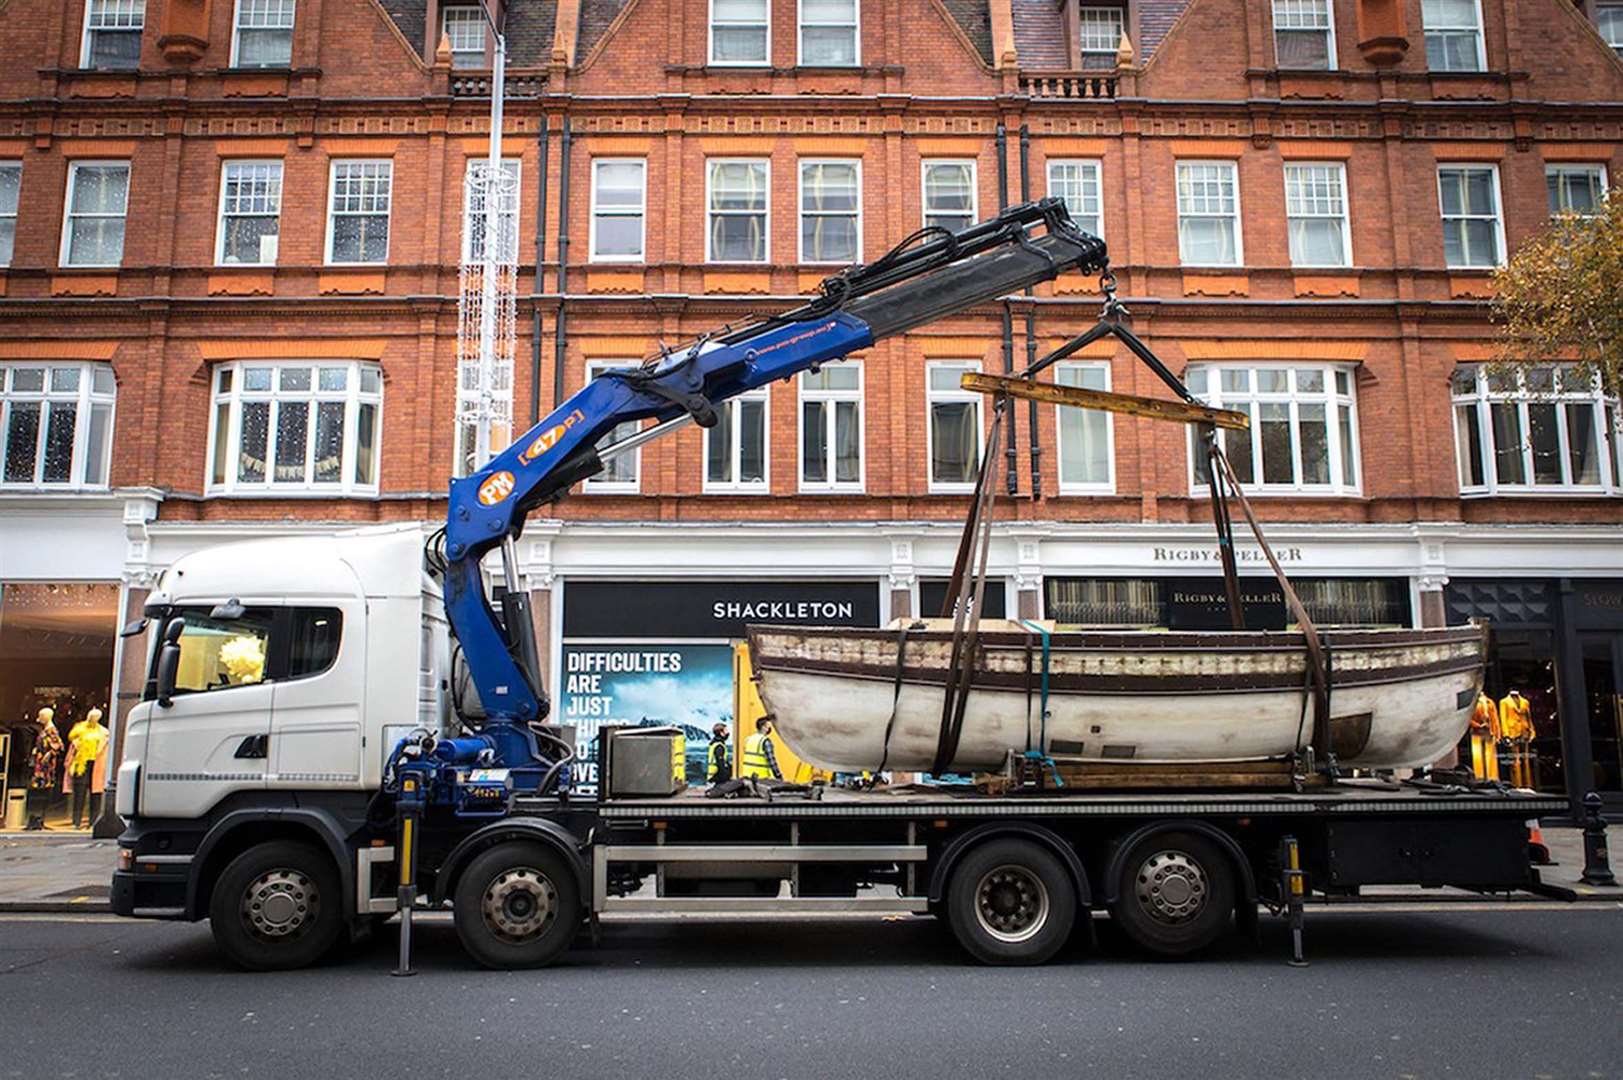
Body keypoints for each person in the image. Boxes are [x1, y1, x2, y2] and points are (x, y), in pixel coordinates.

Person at [65, 708, 110, 829]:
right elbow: (72, 749)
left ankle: (93, 822)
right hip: (81, 762)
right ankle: (76, 821)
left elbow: (104, 749)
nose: (93, 719)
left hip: (97, 763)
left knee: (96, 793)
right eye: (91, 717)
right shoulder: (79, 731)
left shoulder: (103, 732)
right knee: (79, 793)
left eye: (95, 717)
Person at [25, 708, 63, 831]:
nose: (39, 718)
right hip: (41, 764)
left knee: (41, 790)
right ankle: (36, 819)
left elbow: (58, 746)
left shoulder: (51, 730)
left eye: (41, 716)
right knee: (38, 790)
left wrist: (49, 754)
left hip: (45, 767)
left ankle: (38, 819)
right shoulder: (46, 729)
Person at [740, 716, 782, 781]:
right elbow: (771, 761)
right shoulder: (765, 741)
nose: (769, 728)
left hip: (747, 776)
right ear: (763, 727)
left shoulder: (748, 739)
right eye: (768, 726)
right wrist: (778, 775)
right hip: (761, 778)